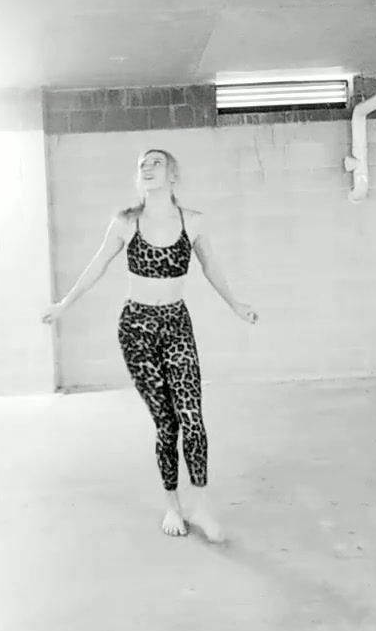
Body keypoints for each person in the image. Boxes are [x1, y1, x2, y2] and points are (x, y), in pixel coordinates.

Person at [41, 147, 258, 543]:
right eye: (143, 164)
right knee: (167, 423)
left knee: (192, 417)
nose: (148, 167)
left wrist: (236, 304)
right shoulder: (126, 222)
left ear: (173, 175)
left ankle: (201, 506)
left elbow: (211, 267)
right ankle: (173, 506)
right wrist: (64, 304)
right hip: (137, 329)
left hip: (176, 325)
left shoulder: (193, 222)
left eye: (157, 162)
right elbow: (97, 266)